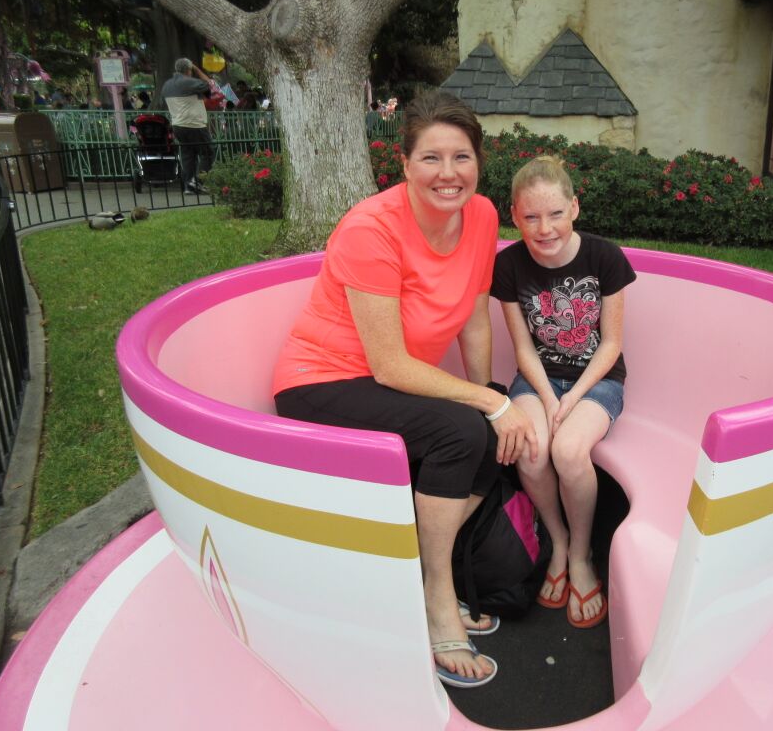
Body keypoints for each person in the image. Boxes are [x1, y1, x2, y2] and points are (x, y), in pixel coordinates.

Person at [272, 91, 537, 689]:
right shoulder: (372, 227)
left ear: (479, 162)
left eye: (462, 157)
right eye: (432, 159)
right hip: (323, 379)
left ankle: (413, 566)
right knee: (466, 427)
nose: (449, 174)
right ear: (405, 163)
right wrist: (489, 404)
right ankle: (436, 595)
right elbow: (389, 365)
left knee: (489, 429)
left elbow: (472, 314)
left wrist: (486, 392)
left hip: (386, 380)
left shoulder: (484, 216)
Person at [490, 155, 636, 629]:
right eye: (530, 216)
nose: (544, 227)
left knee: (571, 451)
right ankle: (555, 540)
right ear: (514, 215)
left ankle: (580, 554)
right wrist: (551, 399)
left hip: (598, 379)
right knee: (533, 450)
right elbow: (524, 348)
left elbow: (611, 343)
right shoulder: (509, 264)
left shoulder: (604, 257)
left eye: (554, 213)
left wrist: (573, 400)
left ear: (574, 207)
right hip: (539, 379)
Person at [159, 57, 216, 194]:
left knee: (188, 155)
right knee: (207, 152)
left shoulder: (167, 85)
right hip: (194, 124)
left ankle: (188, 185)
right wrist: (197, 69)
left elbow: (162, 102)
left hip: (178, 124)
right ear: (188, 70)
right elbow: (210, 84)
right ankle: (198, 182)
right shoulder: (189, 82)